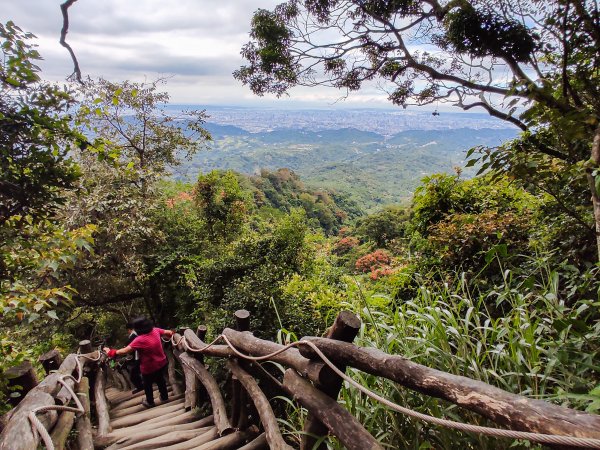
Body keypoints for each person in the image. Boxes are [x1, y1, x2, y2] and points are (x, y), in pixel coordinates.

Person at [104, 317, 174, 408]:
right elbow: (168, 332)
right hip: (162, 362)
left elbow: (124, 351)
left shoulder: (140, 340)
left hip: (149, 367)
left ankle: (150, 401)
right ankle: (164, 397)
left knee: (147, 384)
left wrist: (110, 352)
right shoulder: (155, 330)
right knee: (160, 380)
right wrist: (173, 335)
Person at [125, 322, 144, 394]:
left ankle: (140, 387)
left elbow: (129, 347)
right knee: (135, 372)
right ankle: (141, 386)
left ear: (129, 329)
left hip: (138, 356)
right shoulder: (137, 333)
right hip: (137, 355)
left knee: (133, 374)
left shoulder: (133, 335)